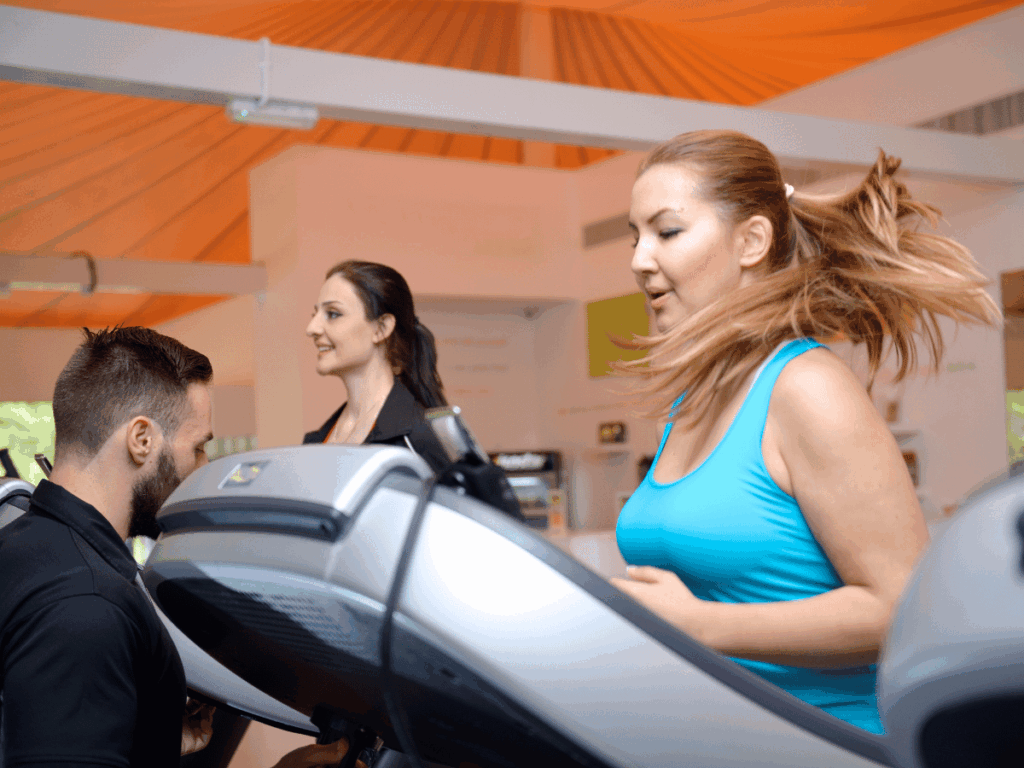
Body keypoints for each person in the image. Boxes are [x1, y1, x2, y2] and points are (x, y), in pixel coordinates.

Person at [611, 130, 1000, 734]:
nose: (639, 259)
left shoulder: (806, 387)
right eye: (634, 236)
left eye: (667, 232)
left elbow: (901, 606)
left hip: (827, 741)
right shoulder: (694, 399)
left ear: (752, 241)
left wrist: (701, 625)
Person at [0, 326, 355, 768]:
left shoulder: (24, 546)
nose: (203, 469)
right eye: (199, 447)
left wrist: (148, 739)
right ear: (142, 440)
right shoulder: (88, 604)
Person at [304, 260, 451, 473]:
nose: (312, 328)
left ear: (381, 328)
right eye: (315, 315)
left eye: (333, 314)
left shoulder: (421, 439)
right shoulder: (316, 442)